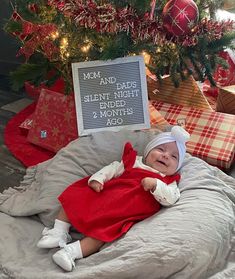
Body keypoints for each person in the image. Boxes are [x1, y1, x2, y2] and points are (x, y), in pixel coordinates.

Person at [37, 125, 190, 271]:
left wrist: (156, 185)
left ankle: (71, 252)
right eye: (160, 149)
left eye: (174, 156)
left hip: (122, 215)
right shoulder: (133, 162)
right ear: (148, 151)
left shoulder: (168, 181)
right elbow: (112, 168)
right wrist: (98, 179)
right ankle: (58, 231)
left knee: (102, 235)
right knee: (75, 197)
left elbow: (171, 199)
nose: (165, 155)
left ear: (177, 166)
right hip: (105, 196)